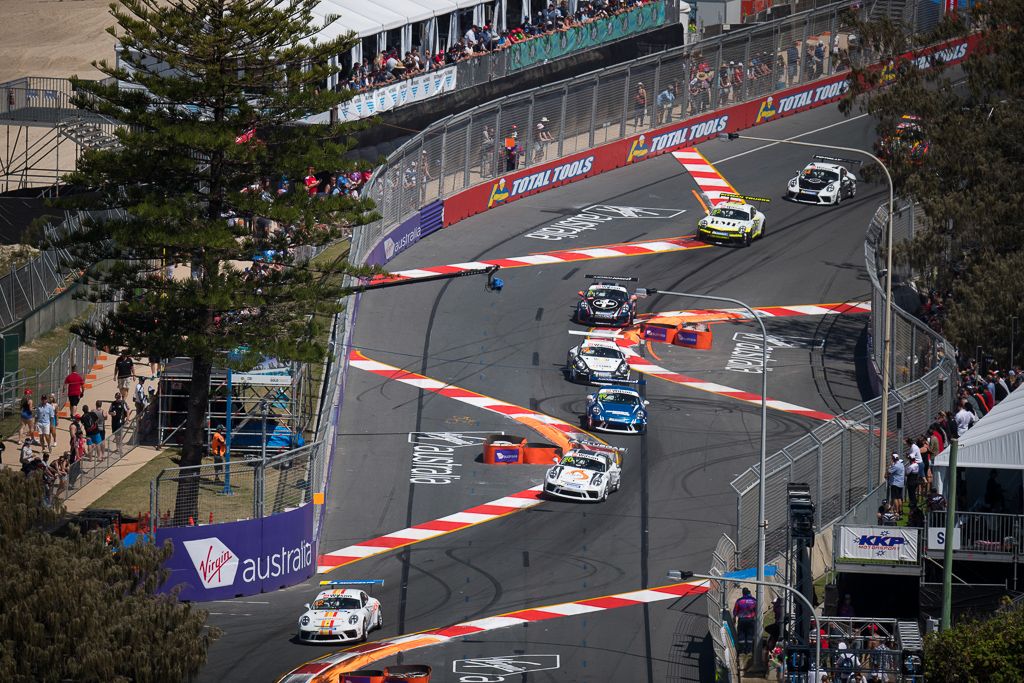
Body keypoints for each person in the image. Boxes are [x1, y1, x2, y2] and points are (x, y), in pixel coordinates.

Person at [733, 587, 758, 654]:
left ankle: (742, 649)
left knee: (741, 634)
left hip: (742, 620)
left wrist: (734, 618)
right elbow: (757, 610)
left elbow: (735, 610)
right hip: (751, 619)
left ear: (743, 593)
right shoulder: (754, 600)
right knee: (750, 634)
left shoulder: (739, 600)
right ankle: (749, 650)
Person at [108, 392, 131, 457]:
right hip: (114, 422)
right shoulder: (113, 403)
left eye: (119, 397)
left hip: (120, 422)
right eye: (117, 397)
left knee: (120, 436)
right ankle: (117, 448)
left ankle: (120, 449)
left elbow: (127, 410)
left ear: (120, 397)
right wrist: (112, 413)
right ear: (115, 397)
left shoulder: (123, 403)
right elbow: (109, 411)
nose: (118, 398)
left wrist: (127, 419)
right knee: (116, 436)